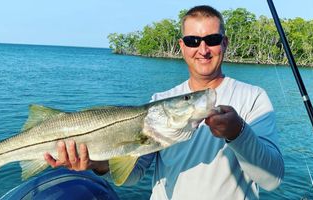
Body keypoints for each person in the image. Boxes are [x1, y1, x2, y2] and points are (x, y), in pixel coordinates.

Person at [44, 5, 284, 199]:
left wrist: (238, 133)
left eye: (211, 39)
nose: (202, 49)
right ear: (182, 46)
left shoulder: (253, 98)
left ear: (224, 43)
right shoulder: (159, 102)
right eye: (192, 41)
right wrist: (97, 164)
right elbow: (134, 173)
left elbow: (271, 179)